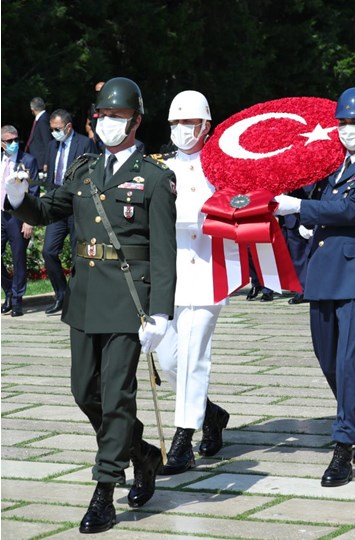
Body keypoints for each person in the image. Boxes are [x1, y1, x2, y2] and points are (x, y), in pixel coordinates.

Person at [4, 77, 175, 533]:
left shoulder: (155, 177)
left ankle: (104, 490)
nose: (109, 124)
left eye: (118, 117)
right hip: (86, 298)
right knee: (86, 392)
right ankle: (140, 452)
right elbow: (47, 211)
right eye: (103, 116)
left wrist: (162, 312)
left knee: (118, 395)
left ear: (136, 121)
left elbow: (164, 249)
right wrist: (18, 198)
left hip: (128, 298)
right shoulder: (83, 169)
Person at [273, 87, 355, 487]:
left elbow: (354, 208)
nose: (348, 130)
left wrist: (301, 208)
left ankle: (343, 446)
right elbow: (325, 201)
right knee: (328, 361)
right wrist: (309, 219)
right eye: (343, 123)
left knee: (349, 363)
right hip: (325, 271)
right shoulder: (333, 165)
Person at [153, 90, 230, 476]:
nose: (182, 130)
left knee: (194, 356)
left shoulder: (222, 167)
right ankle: (211, 413)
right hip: (168, 278)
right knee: (168, 359)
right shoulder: (158, 167)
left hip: (205, 272)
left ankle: (183, 441)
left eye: (189, 123)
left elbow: (239, 208)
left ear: (206, 125)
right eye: (176, 124)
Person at [42, 110, 98, 314]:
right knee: (48, 251)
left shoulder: (84, 144)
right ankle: (61, 294)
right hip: (57, 205)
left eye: (57, 129)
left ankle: (79, 298)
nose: (54, 133)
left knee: (78, 254)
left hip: (77, 205)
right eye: (51, 130)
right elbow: (49, 176)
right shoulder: (51, 146)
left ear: (68, 127)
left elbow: (92, 173)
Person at [1, 125, 39, 317]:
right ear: (1, 144)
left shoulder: (27, 160)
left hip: (18, 216)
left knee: (18, 259)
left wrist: (29, 220)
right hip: (1, 214)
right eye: (9, 141)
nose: (14, 144)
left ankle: (17, 300)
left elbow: (33, 193)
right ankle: (8, 291)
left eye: (16, 140)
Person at [25, 97, 52, 169]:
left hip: (40, 162)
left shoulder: (43, 120)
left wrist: (46, 162)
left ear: (32, 109)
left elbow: (47, 142)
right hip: (37, 159)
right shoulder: (41, 119)